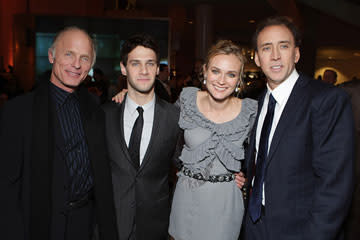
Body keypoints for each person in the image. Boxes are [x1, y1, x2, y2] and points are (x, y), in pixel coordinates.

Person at [0, 26, 118, 240]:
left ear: (90, 65)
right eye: (69, 54)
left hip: (85, 224)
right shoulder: (19, 111)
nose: (76, 64)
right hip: (39, 226)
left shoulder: (94, 109)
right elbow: (7, 188)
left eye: (84, 58)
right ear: (51, 55)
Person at [243, 16, 354, 240]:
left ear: (296, 54)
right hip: (254, 226)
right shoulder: (255, 102)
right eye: (266, 48)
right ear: (256, 58)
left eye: (283, 46)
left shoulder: (326, 100)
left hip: (301, 231)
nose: (275, 55)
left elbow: (335, 184)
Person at [168, 40, 257, 240]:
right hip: (187, 197)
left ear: (239, 80)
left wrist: (247, 174)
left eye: (231, 74)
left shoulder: (250, 111)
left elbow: (270, 150)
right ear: (205, 71)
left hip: (225, 201)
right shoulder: (187, 100)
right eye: (216, 71)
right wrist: (130, 95)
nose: (222, 80)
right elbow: (160, 128)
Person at [102, 33, 181, 240]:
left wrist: (227, 177)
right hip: (110, 225)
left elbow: (187, 165)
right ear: (123, 67)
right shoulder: (103, 116)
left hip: (155, 228)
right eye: (135, 63)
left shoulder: (174, 117)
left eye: (150, 63)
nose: (144, 71)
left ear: (157, 68)